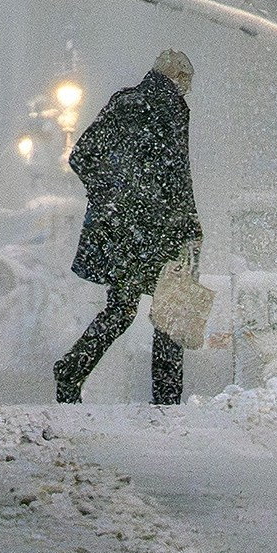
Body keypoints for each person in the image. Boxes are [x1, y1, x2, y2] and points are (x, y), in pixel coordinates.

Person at [54, 49, 203, 405]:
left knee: (121, 310)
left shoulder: (124, 102)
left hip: (123, 231)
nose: (186, 92)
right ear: (178, 79)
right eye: (186, 85)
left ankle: (72, 369)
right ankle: (166, 400)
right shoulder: (172, 110)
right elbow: (176, 175)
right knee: (169, 311)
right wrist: (190, 225)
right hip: (160, 228)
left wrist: (111, 192)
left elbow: (81, 155)